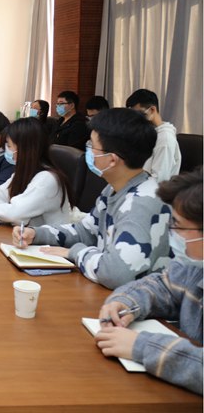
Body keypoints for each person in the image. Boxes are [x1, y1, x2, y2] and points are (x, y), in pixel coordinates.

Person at [14, 108, 172, 289]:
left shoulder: (143, 203)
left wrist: (74, 252)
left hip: (141, 300)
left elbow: (115, 273)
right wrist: (37, 234)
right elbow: (86, 231)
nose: (88, 151)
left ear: (112, 159)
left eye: (92, 146)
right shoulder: (114, 188)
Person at [95, 168, 202, 394]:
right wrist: (125, 302)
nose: (172, 232)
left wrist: (141, 346)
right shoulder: (194, 268)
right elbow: (161, 285)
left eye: (178, 225)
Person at [0, 117, 73, 226]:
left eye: (9, 146)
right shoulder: (24, 172)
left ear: (25, 148)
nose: (7, 150)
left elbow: (16, 213)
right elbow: (0, 194)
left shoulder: (47, 179)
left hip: (46, 242)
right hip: (24, 236)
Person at [125, 89, 181, 182]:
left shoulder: (165, 139)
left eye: (139, 114)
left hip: (153, 189)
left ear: (152, 110)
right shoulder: (148, 133)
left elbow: (159, 180)